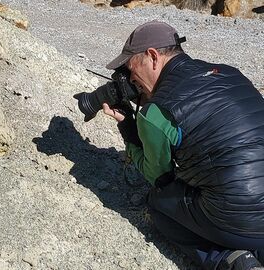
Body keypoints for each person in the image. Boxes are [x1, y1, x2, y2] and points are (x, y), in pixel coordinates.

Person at [102, 20, 264, 270]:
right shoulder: (230, 72)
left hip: (238, 217)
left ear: (153, 56)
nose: (132, 79)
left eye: (131, 69)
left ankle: (231, 261)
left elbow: (159, 178)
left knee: (159, 204)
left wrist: (128, 126)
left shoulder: (157, 111)